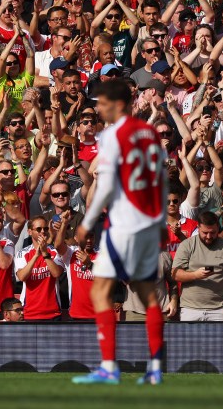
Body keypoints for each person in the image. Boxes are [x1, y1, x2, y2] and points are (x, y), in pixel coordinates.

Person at [72, 79, 168, 385]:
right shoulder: (150, 134)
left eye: (102, 103)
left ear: (118, 104)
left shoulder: (114, 135)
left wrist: (87, 221)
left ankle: (109, 367)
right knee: (147, 295)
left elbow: (107, 183)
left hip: (122, 222)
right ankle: (154, 368)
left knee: (100, 292)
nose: (99, 109)